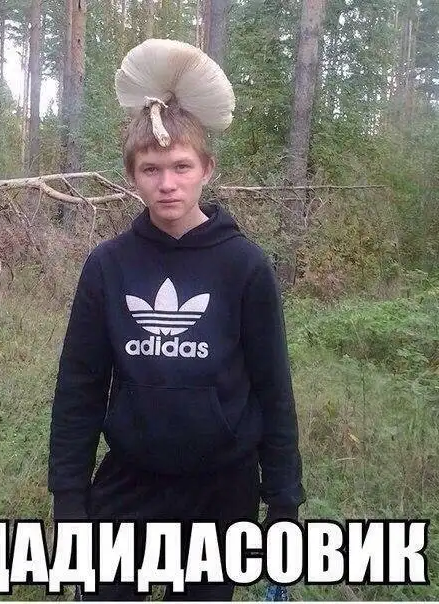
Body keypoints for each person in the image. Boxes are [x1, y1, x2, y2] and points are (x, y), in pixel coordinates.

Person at [48, 39, 305, 601]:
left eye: (182, 166)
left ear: (206, 169)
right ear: (132, 176)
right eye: (152, 169)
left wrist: (283, 503)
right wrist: (68, 498)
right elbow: (80, 387)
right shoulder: (108, 266)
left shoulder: (245, 266)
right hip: (130, 483)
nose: (168, 183)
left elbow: (273, 388)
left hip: (222, 493)